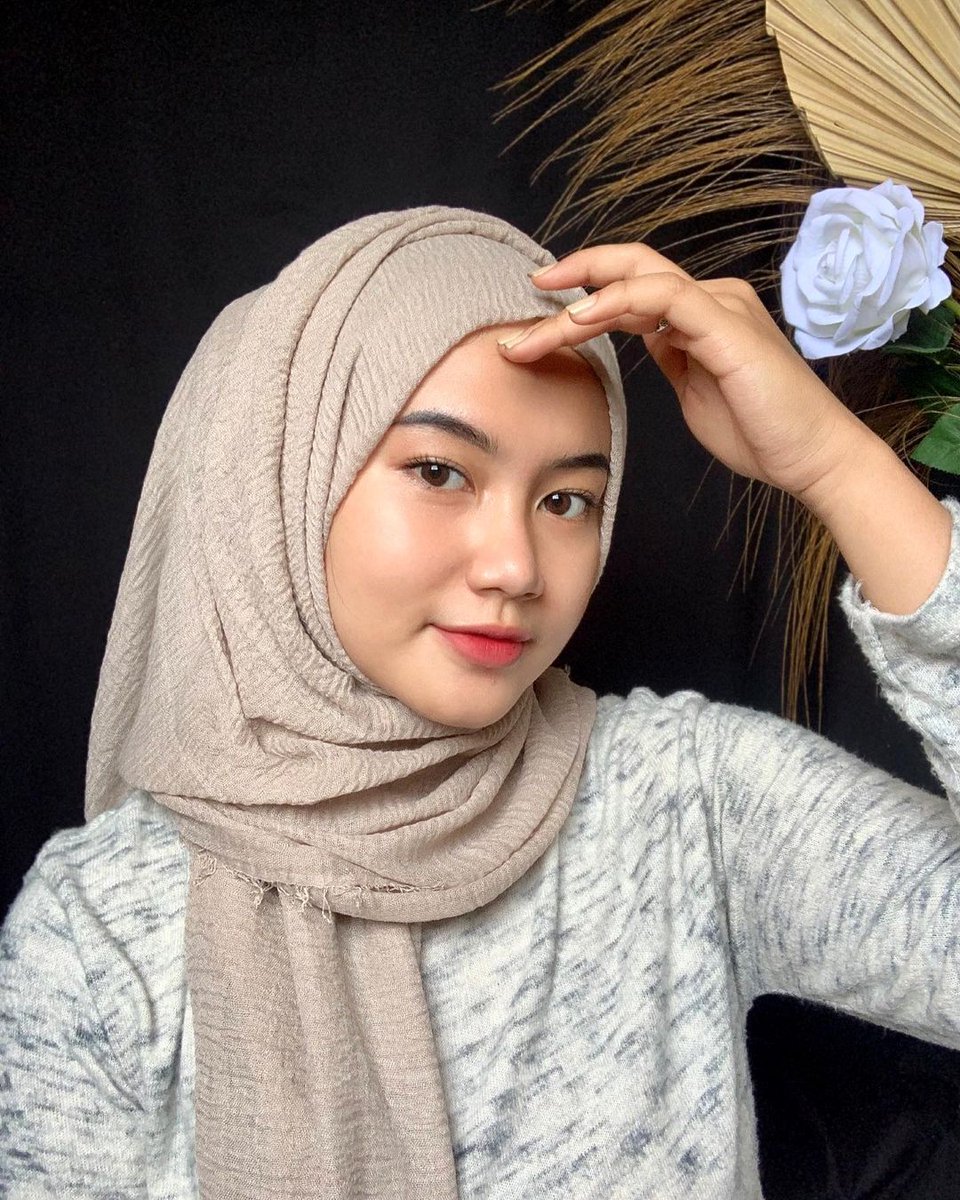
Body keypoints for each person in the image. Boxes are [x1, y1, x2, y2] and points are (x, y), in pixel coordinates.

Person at [0, 204, 956, 1200]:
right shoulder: (101, 926)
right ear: (280, 477)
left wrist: (836, 465)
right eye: (440, 471)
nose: (516, 568)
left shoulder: (681, 804)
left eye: (566, 500)